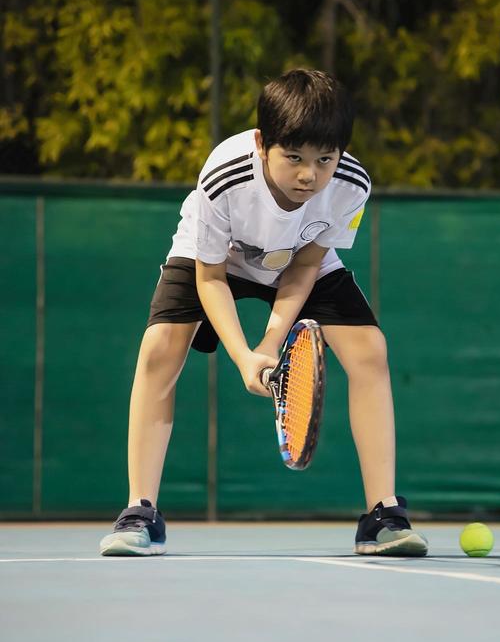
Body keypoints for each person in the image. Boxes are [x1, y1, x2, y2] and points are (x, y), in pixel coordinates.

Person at [100, 69, 428, 558]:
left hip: (296, 258)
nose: (308, 175)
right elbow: (210, 278)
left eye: (324, 160)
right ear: (261, 143)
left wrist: (270, 343)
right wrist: (242, 356)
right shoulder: (224, 176)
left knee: (369, 350)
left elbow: (305, 268)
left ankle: (382, 515)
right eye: (293, 158)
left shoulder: (350, 186)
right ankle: (139, 511)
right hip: (216, 257)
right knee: (160, 349)